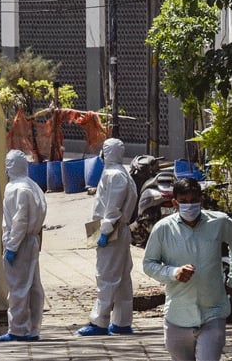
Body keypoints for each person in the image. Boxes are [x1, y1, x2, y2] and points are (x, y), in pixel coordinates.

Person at [143, 177, 232, 361]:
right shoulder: (163, 229)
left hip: (213, 311)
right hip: (178, 314)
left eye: (193, 200)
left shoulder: (219, 222)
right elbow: (149, 263)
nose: (189, 205)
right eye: (184, 202)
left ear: (201, 200)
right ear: (175, 203)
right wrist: (173, 273)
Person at [77, 137, 139, 336]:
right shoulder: (122, 173)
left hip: (111, 230)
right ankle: (121, 321)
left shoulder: (113, 175)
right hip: (118, 229)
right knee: (121, 279)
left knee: (106, 276)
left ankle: (99, 321)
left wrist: (104, 231)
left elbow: (113, 206)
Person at [0, 150, 48, 342]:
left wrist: (11, 246)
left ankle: (17, 329)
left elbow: (19, 220)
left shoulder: (14, 188)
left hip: (20, 242)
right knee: (33, 286)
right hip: (32, 240)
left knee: (18, 287)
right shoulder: (33, 185)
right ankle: (33, 329)